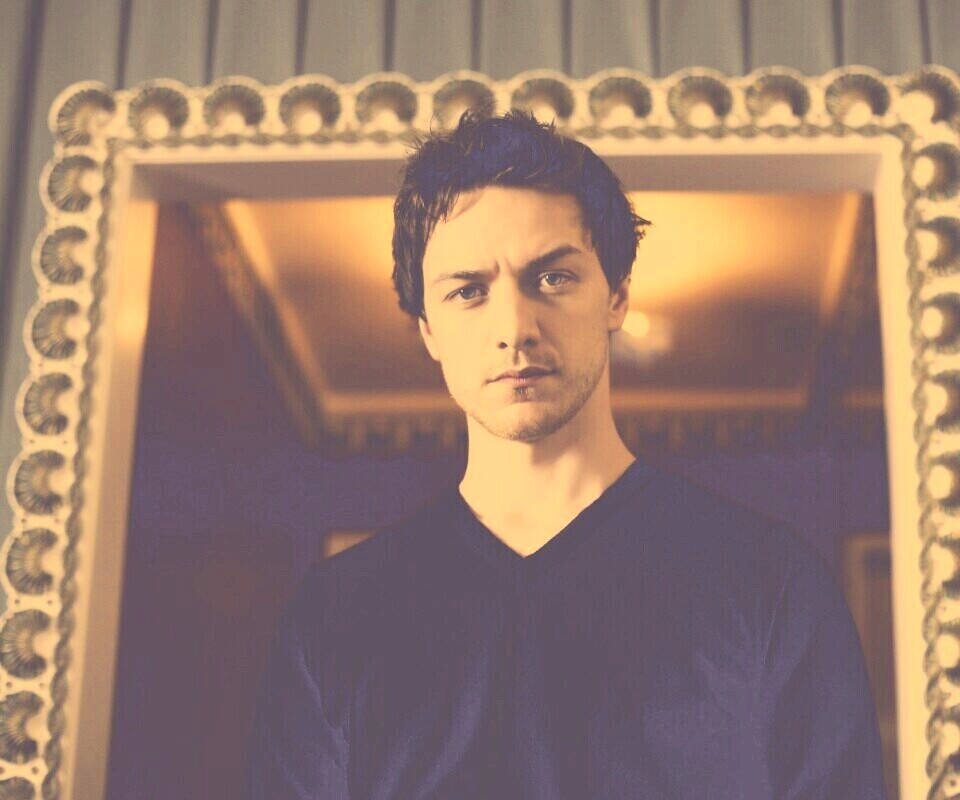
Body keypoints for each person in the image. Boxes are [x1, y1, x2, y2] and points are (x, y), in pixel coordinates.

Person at [247, 104, 887, 799]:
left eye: (552, 278)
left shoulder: (770, 584)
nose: (515, 327)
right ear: (428, 330)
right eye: (468, 291)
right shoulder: (335, 616)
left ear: (616, 297)